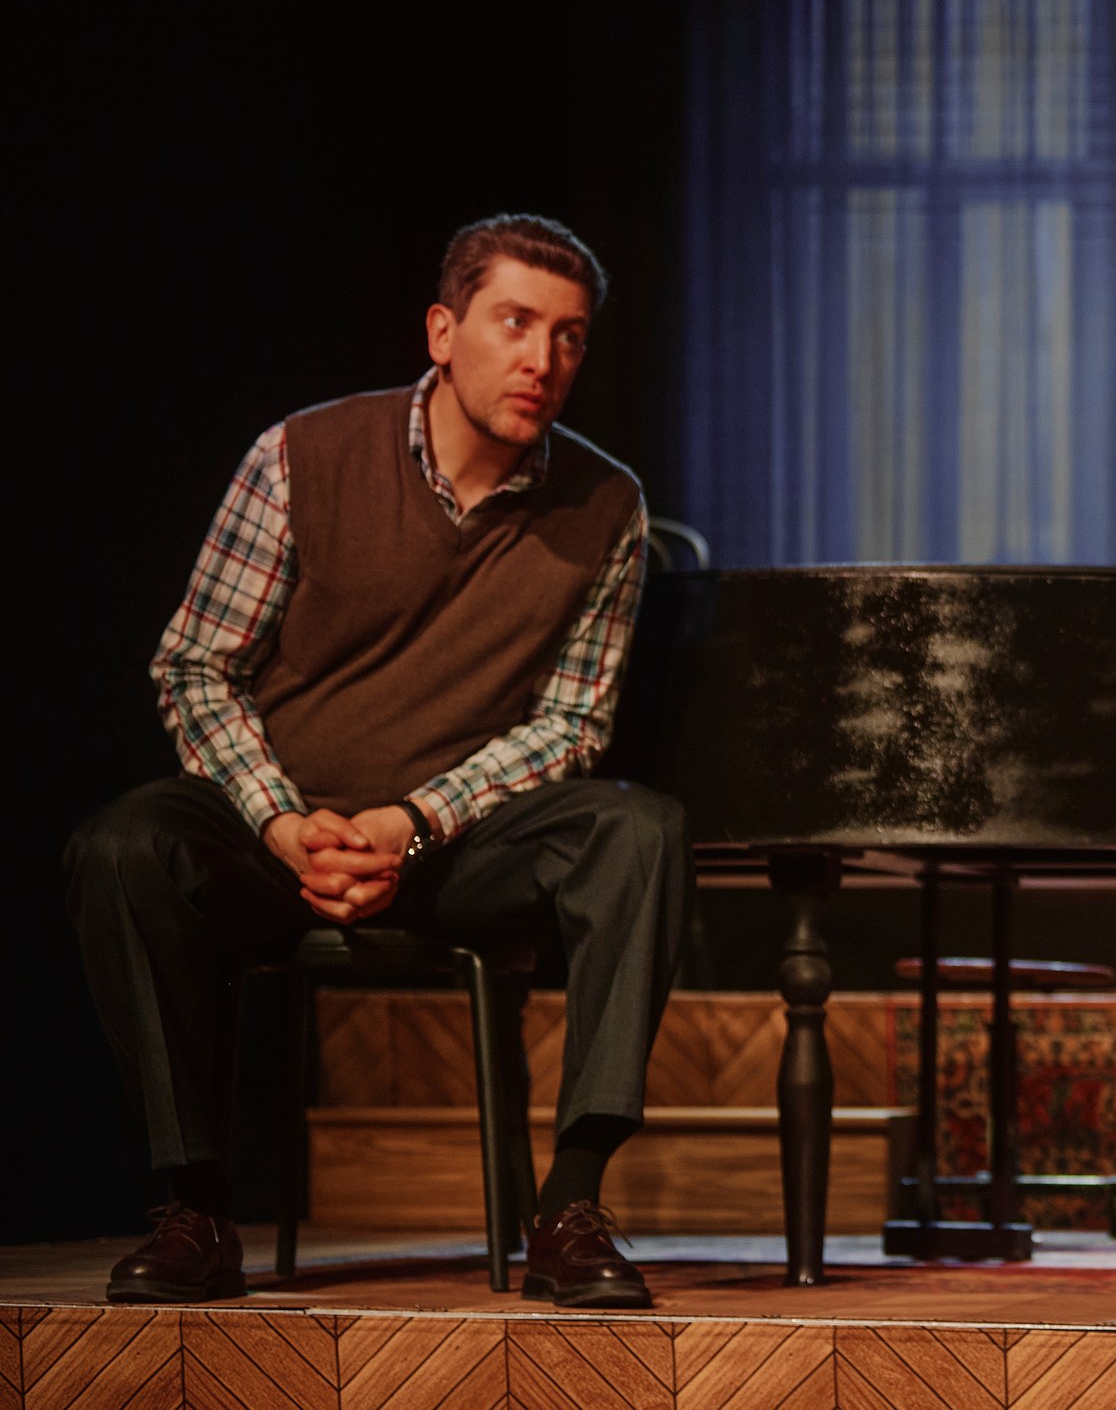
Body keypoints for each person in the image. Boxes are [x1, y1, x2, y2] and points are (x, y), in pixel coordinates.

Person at [67, 215, 692, 1310]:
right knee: (121, 849)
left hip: (453, 846)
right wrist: (281, 822)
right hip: (275, 833)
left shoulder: (607, 506)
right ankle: (196, 1207)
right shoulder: (301, 456)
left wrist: (414, 822)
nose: (543, 359)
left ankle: (572, 1206)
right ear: (443, 331)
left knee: (640, 830)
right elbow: (197, 666)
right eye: (515, 323)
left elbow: (569, 725)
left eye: (570, 336)